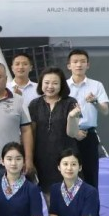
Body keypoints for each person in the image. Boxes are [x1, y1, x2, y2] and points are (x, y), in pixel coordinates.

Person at [28, 67, 82, 203]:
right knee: (48, 195)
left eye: (55, 83)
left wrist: (71, 117)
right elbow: (31, 133)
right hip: (42, 158)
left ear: (61, 84)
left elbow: (72, 133)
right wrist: (30, 158)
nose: (50, 86)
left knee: (69, 195)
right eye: (46, 82)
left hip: (66, 157)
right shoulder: (34, 104)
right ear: (41, 83)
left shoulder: (70, 102)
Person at [67, 49, 109, 188]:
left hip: (88, 135)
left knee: (90, 175)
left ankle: (91, 203)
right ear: (69, 65)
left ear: (88, 65)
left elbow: (105, 110)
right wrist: (74, 132)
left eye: (82, 61)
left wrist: (95, 101)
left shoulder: (96, 85)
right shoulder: (63, 86)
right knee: (68, 175)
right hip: (67, 135)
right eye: (75, 61)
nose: (79, 64)